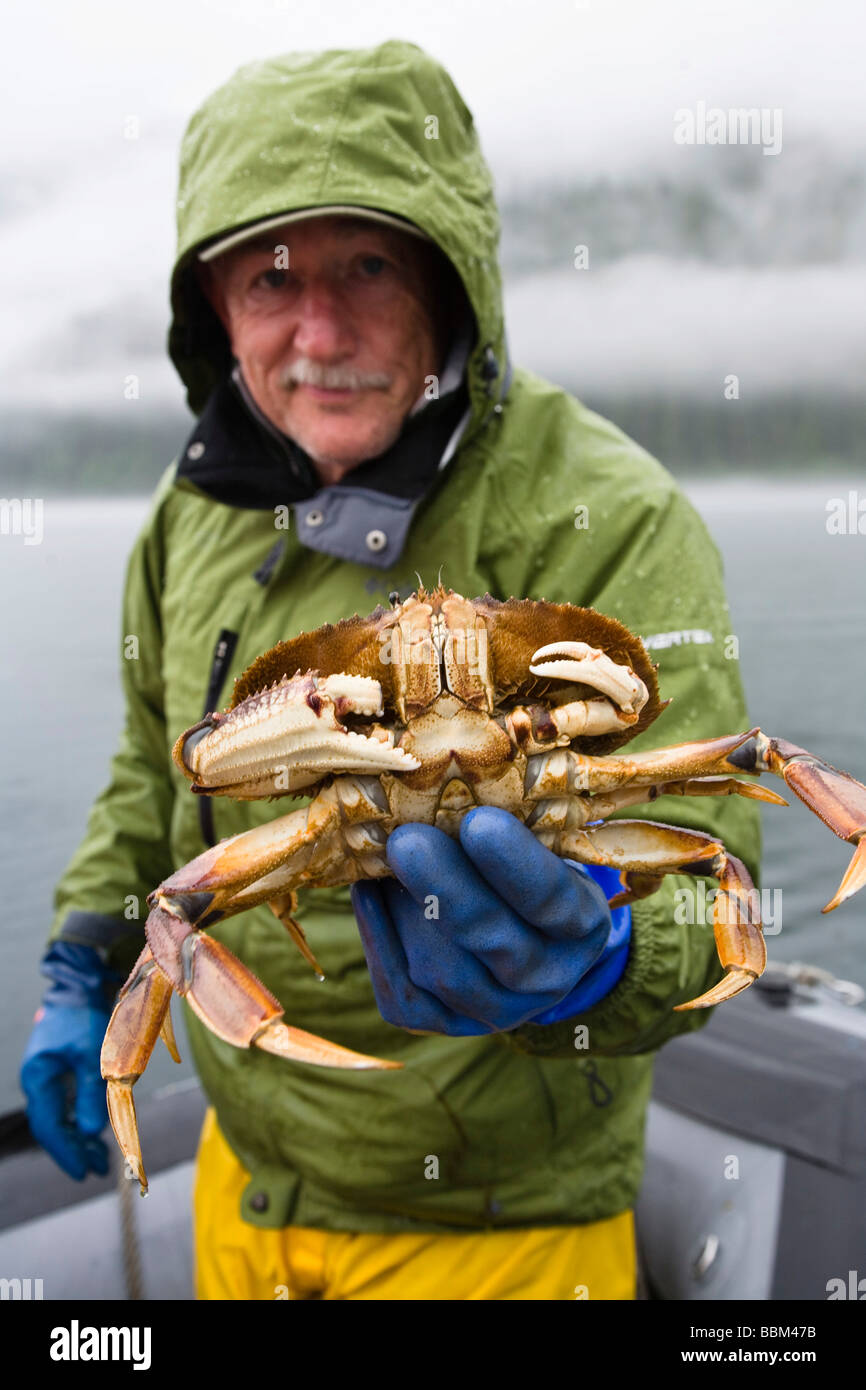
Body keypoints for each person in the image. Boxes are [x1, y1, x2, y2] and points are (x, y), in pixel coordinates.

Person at [20, 40, 759, 1301]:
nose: (320, 328)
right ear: (212, 312)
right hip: (246, 1187)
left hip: (500, 1226)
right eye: (268, 276)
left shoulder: (608, 511)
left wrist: (602, 959)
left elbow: (711, 836)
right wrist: (81, 967)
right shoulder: (189, 516)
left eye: (366, 263)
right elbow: (153, 775)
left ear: (449, 277)